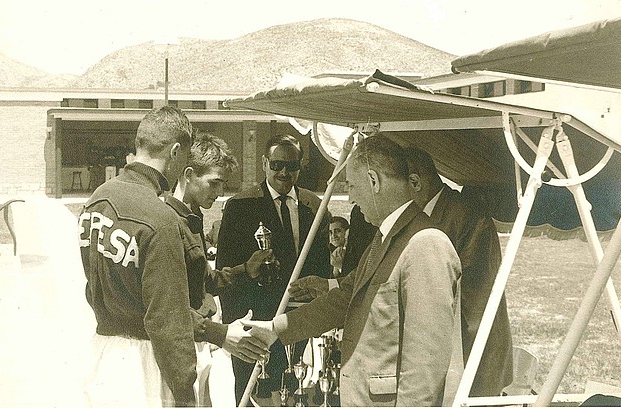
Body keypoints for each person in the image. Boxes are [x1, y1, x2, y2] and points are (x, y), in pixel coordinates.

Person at [243, 135, 462, 406]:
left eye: (353, 186)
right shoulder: (386, 239)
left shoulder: (426, 243)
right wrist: (275, 329)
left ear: (374, 181)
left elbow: (426, 364)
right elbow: (344, 299)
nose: (352, 199)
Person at [78, 106, 198, 407]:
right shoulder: (160, 217)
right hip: (144, 366)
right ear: (175, 151)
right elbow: (167, 321)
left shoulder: (98, 198)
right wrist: (186, 394)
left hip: (101, 354)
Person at [215, 134, 332, 404]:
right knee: (254, 398)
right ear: (265, 163)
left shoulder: (316, 207)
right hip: (255, 326)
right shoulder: (239, 207)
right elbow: (225, 272)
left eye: (291, 166)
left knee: (295, 397)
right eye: (277, 164)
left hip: (298, 326)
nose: (283, 172)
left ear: (300, 167)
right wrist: (237, 327)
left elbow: (322, 269)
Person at [405, 146, 513, 397]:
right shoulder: (434, 213)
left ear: (415, 182)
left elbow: (477, 303)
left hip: (472, 359)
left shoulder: (467, 216)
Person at [165, 133, 273, 361]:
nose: (221, 193)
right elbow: (168, 305)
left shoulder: (193, 217)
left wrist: (246, 269)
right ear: (189, 175)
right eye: (214, 183)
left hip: (199, 339)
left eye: (223, 185)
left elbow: (203, 282)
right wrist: (218, 334)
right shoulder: (168, 222)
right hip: (181, 345)